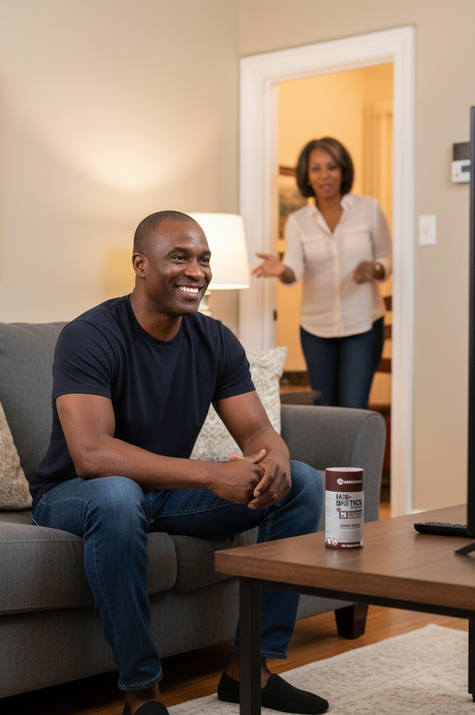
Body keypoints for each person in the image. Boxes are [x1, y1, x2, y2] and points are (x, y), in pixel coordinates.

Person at [30, 210, 328, 715]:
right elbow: (93, 454)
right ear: (140, 265)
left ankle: (249, 670)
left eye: (204, 259)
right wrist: (214, 474)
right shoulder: (89, 335)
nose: (197, 271)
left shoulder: (214, 339)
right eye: (180, 258)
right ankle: (142, 693)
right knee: (118, 493)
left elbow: (255, 430)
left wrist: (274, 455)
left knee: (302, 483)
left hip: (160, 495)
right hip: (76, 496)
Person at [253, 137, 392, 409]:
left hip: (363, 325)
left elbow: (387, 259)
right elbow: (294, 271)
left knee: (353, 407)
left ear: (343, 171)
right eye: (316, 168)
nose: (324, 175)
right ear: (306, 175)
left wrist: (373, 268)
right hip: (316, 330)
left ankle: (357, 454)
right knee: (325, 409)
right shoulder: (298, 221)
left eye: (332, 167)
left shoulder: (368, 209)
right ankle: (327, 456)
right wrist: (282, 270)